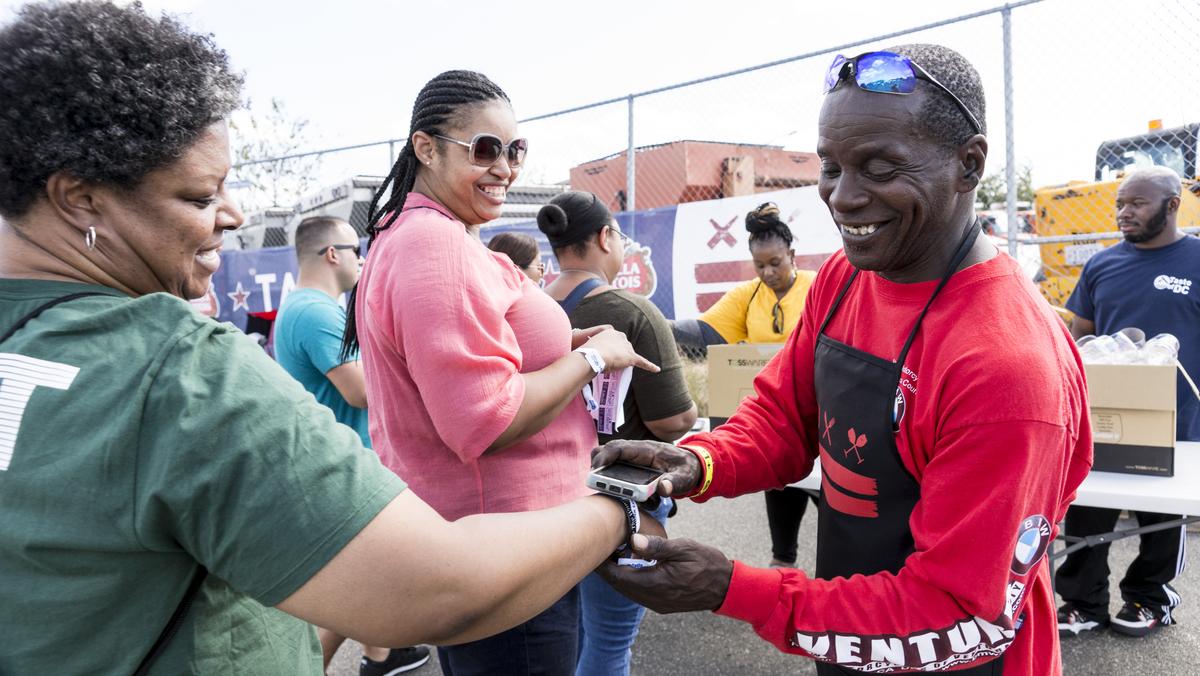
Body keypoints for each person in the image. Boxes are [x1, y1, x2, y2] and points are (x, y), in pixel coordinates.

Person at [0, 4, 652, 674]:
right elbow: (433, 585)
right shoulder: (179, 373)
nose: (233, 213)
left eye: (517, 150)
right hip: (496, 546)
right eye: (198, 196)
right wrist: (618, 506)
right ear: (78, 200)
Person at [593, 44, 1092, 675]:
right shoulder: (847, 275)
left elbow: (961, 616)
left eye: (880, 167)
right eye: (831, 165)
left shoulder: (1006, 369)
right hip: (852, 635)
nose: (843, 197)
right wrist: (696, 460)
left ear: (969, 165)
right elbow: (785, 415)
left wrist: (729, 588)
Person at [340, 70, 660, 676]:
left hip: (503, 545)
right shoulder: (432, 244)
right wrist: (590, 359)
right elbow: (484, 419)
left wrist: (565, 341)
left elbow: (465, 353)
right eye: (484, 149)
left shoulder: (424, 236)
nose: (504, 167)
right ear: (426, 148)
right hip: (508, 554)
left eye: (515, 150)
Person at [538, 191, 697, 675]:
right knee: (609, 644)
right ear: (605, 237)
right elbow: (674, 421)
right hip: (619, 498)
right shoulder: (634, 313)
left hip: (541, 497)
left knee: (566, 636)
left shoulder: (531, 312)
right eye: (620, 237)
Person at [274, 215, 429, 674]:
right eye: (355, 248)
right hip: (345, 462)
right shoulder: (316, 311)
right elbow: (360, 390)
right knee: (361, 582)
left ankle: (381, 653)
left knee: (373, 576)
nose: (362, 258)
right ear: (332, 254)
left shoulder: (306, 307)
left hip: (344, 457)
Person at [1055, 166, 1199, 638]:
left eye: (1136, 203)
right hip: (1105, 416)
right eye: (1120, 203)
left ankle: (1150, 599)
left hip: (1178, 418)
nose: (1123, 212)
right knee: (1086, 508)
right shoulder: (1102, 265)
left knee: (1160, 516)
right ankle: (1082, 602)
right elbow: (1083, 336)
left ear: (1173, 204)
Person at [684, 202, 819, 570]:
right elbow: (703, 331)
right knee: (781, 483)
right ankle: (783, 564)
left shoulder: (818, 286)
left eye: (776, 262)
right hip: (779, 413)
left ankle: (843, 581)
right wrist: (644, 321)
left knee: (833, 496)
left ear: (792, 254)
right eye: (760, 265)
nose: (768, 272)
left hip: (822, 411)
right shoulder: (749, 295)